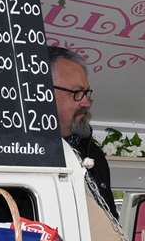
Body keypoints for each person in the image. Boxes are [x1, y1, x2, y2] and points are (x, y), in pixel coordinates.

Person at [48, 46, 115, 212]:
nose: (86, 102)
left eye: (86, 93)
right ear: (45, 92)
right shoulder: (19, 153)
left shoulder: (95, 155)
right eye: (77, 92)